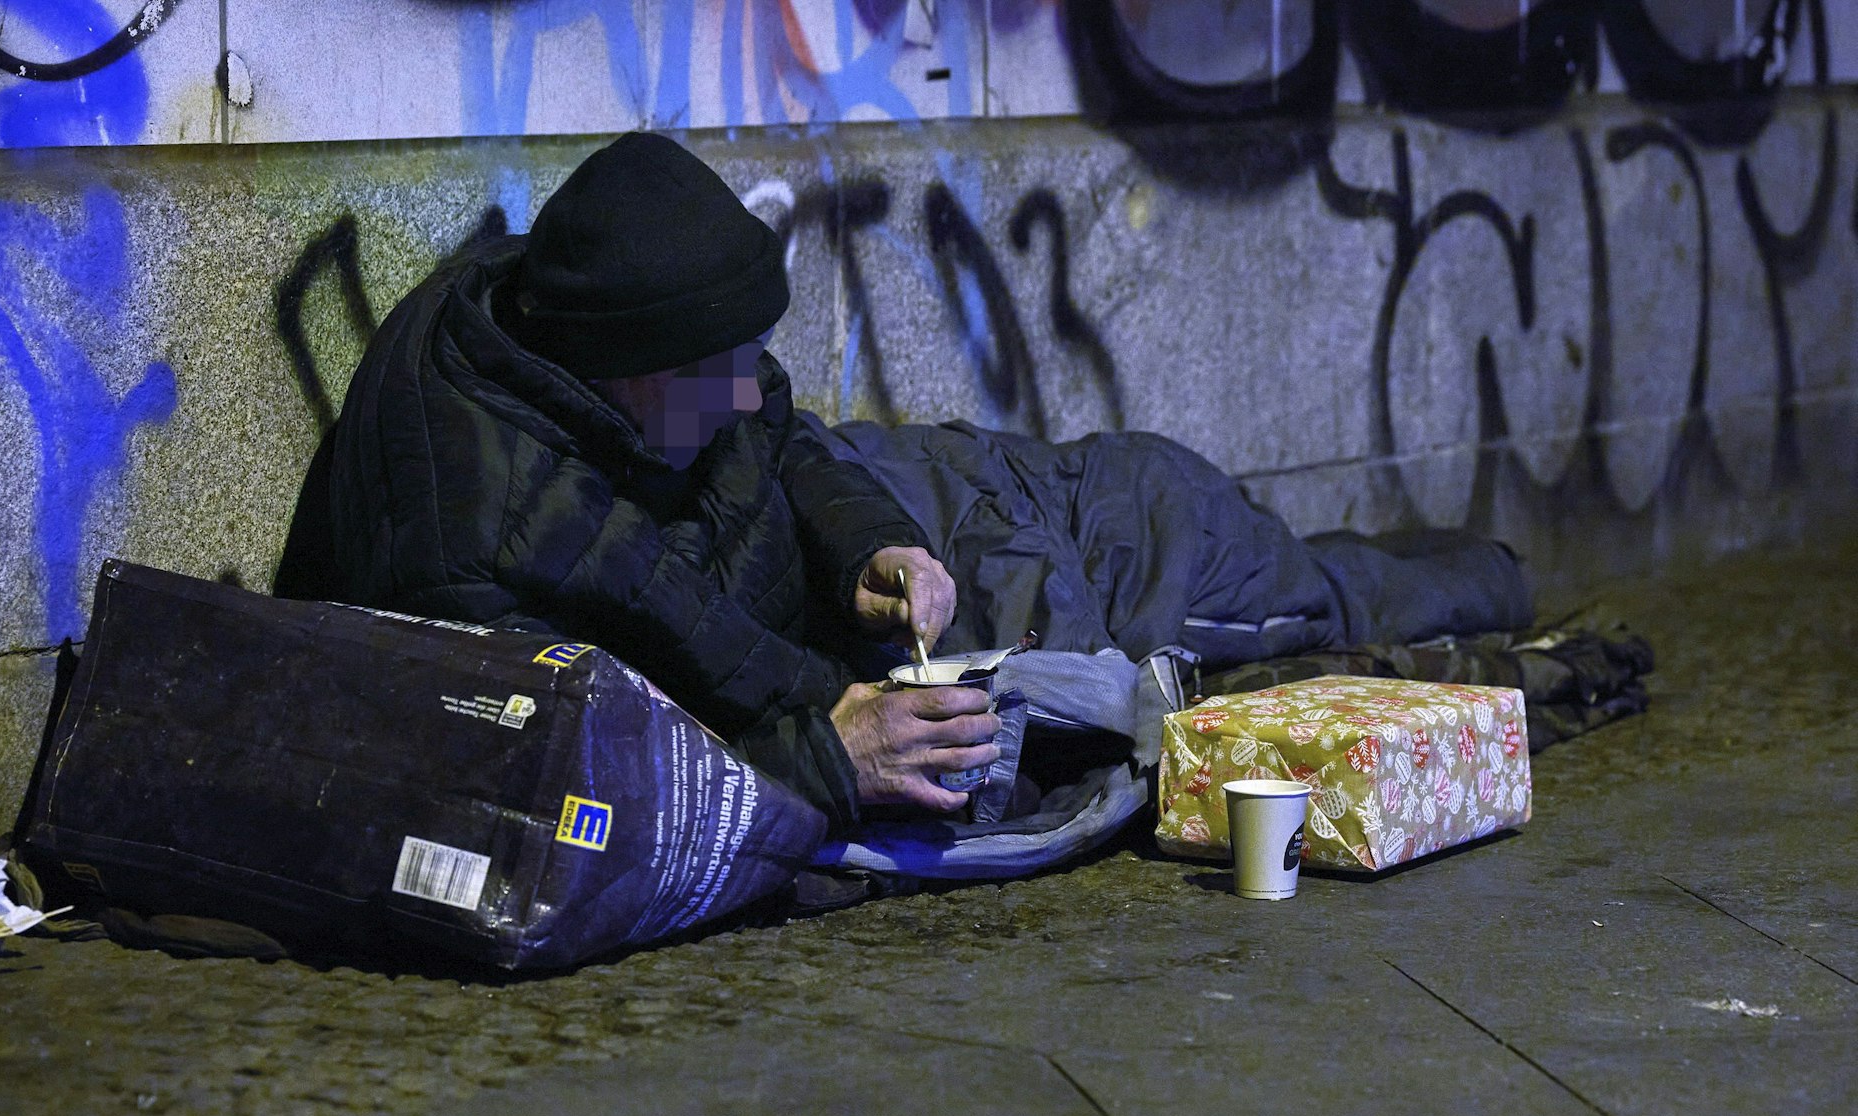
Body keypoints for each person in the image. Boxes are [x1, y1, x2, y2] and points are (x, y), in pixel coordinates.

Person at [285, 132, 1531, 829]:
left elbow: (781, 433)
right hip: (944, 607)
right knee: (1204, 580)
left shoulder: (587, 321)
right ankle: (1480, 578)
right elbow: (565, 786)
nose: (745, 393)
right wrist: (827, 760)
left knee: (1174, 531)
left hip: (927, 522)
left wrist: (871, 546)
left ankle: (1486, 573)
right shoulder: (470, 546)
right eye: (715, 375)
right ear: (622, 378)